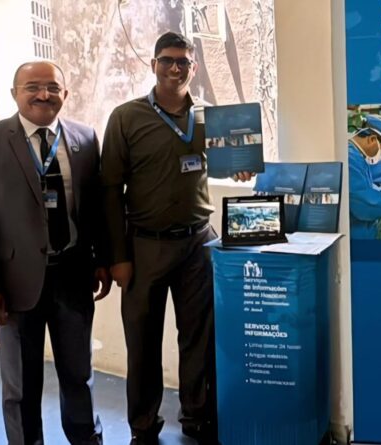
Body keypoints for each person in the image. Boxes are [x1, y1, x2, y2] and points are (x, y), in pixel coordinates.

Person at [101, 32, 250, 445]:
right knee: (143, 342)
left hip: (198, 244)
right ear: (153, 65)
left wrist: (239, 168)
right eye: (167, 60)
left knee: (199, 338)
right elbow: (109, 190)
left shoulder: (209, 118)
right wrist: (117, 256)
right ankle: (143, 425)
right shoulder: (126, 117)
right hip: (144, 247)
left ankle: (197, 417)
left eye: (183, 61)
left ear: (193, 68)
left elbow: (221, 162)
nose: (175, 68)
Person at [0, 61, 111, 445]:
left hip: (73, 276)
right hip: (13, 284)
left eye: (52, 87)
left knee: (79, 375)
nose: (43, 94)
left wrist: (101, 260)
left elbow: (94, 208)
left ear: (65, 94)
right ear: (14, 93)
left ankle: (86, 439)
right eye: (32, 87)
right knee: (21, 385)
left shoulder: (84, 138)